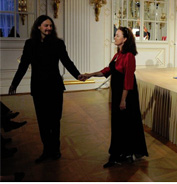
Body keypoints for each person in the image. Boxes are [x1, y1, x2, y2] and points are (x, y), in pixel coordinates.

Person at [8, 15, 82, 163]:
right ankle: (46, 150)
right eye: (45, 25)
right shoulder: (30, 44)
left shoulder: (58, 43)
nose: (48, 28)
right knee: (43, 121)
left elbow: (66, 61)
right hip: (38, 87)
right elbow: (23, 65)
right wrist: (14, 83)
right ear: (38, 27)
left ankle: (55, 150)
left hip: (54, 86)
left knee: (55, 120)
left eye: (50, 26)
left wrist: (78, 75)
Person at [80, 26, 148, 168]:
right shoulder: (118, 54)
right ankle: (121, 153)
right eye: (115, 35)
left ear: (125, 39)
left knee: (125, 124)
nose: (115, 37)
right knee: (118, 124)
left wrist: (123, 100)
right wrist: (90, 74)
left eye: (117, 35)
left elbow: (128, 80)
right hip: (118, 93)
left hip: (126, 95)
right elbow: (107, 70)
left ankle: (123, 154)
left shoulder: (129, 56)